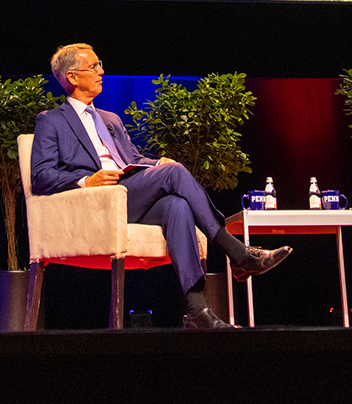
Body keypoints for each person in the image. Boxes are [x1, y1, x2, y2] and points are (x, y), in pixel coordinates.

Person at [28, 43, 291, 329]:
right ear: (72, 77)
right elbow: (41, 176)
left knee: (176, 206)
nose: (101, 71)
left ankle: (197, 311)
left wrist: (156, 164)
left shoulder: (110, 119)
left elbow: (132, 159)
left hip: (129, 196)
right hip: (97, 203)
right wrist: (85, 181)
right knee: (175, 173)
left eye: (99, 64)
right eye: (93, 66)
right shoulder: (52, 121)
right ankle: (238, 253)